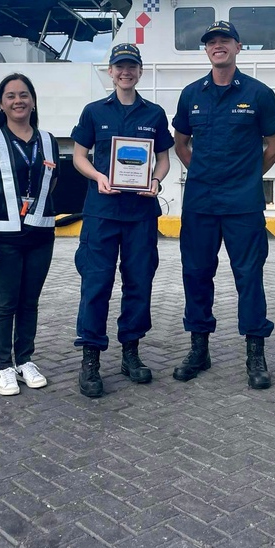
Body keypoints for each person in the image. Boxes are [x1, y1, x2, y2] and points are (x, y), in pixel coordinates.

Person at [171, 21, 275, 389]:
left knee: (249, 277)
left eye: (224, 41)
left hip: (243, 205)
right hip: (201, 203)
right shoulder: (191, 95)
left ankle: (255, 353)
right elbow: (181, 144)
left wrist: (248, 176)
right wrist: (204, 172)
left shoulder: (259, 93)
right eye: (211, 42)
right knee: (196, 275)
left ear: (238, 47)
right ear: (206, 51)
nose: (218, 46)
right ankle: (199, 350)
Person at [71, 43, 172, 397]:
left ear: (139, 72)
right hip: (102, 213)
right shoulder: (94, 111)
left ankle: (131, 352)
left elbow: (163, 159)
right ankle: (91, 358)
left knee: (138, 284)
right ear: (110, 72)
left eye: (131, 67)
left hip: (140, 214)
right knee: (96, 284)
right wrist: (98, 177)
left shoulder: (155, 114)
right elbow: (79, 157)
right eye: (119, 67)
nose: (125, 72)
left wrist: (156, 181)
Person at [0, 73, 59, 396]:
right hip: (3, 237)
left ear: (33, 101)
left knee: (29, 302)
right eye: (10, 96)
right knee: (4, 303)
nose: (18, 101)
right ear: (1, 104)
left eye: (24, 95)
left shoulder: (47, 140)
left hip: (40, 235)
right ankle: (4, 367)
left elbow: (53, 184)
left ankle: (24, 359)